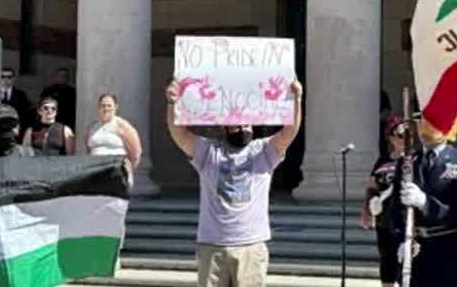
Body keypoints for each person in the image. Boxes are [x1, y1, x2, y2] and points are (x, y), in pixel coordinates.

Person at [165, 77, 303, 287]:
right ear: (224, 126)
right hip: (213, 245)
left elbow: (289, 131)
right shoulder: (208, 151)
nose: (242, 128)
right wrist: (172, 102)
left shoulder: (263, 151)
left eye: (247, 124)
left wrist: (297, 99)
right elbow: (179, 133)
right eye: (237, 124)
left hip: (250, 245)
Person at [390, 116, 457, 287]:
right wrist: (401, 239)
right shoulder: (407, 162)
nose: (424, 127)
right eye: (421, 121)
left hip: (446, 250)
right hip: (414, 250)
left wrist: (425, 203)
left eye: (431, 121)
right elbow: (395, 210)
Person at [362, 116, 405, 287]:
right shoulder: (383, 161)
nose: (403, 139)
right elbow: (372, 186)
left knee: (406, 262)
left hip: (406, 220)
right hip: (384, 219)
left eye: (407, 134)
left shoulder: (414, 159)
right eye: (399, 135)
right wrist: (366, 210)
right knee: (387, 259)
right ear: (391, 138)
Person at [84, 93, 142, 170]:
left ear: (115, 107)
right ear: (98, 107)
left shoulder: (122, 125)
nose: (106, 108)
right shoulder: (91, 127)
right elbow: (88, 150)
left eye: (109, 105)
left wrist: (129, 170)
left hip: (116, 170)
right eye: (103, 105)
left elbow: (136, 152)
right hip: (95, 171)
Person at [41, 67, 77, 131]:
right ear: (56, 77)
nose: (62, 78)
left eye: (64, 76)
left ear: (67, 78)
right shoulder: (48, 91)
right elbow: (43, 107)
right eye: (60, 76)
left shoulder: (72, 92)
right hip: (52, 121)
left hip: (67, 122)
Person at [0, 67, 32, 133]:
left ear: (13, 79)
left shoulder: (21, 95)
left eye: (9, 77)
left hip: (15, 129)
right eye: (3, 77)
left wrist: (20, 126)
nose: (6, 79)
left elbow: (25, 115)